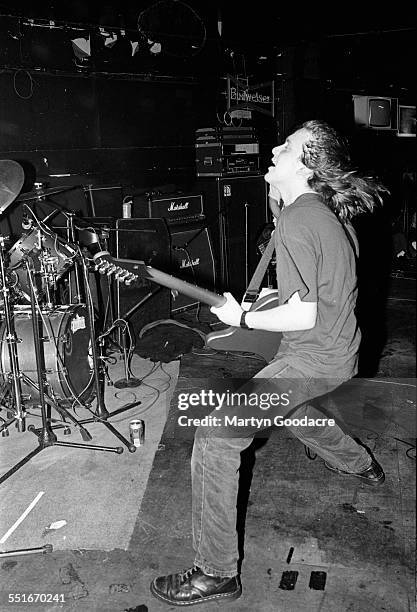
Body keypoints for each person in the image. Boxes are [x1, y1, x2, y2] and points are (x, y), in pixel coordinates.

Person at [150, 120, 388, 606]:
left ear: (307, 165)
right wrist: (257, 305)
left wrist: (242, 316)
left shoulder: (302, 217)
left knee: (216, 440)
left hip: (312, 358)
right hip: (335, 352)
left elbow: (304, 312)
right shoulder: (315, 213)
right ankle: (360, 465)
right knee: (296, 413)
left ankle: (217, 574)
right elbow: (313, 293)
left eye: (289, 145)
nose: (275, 148)